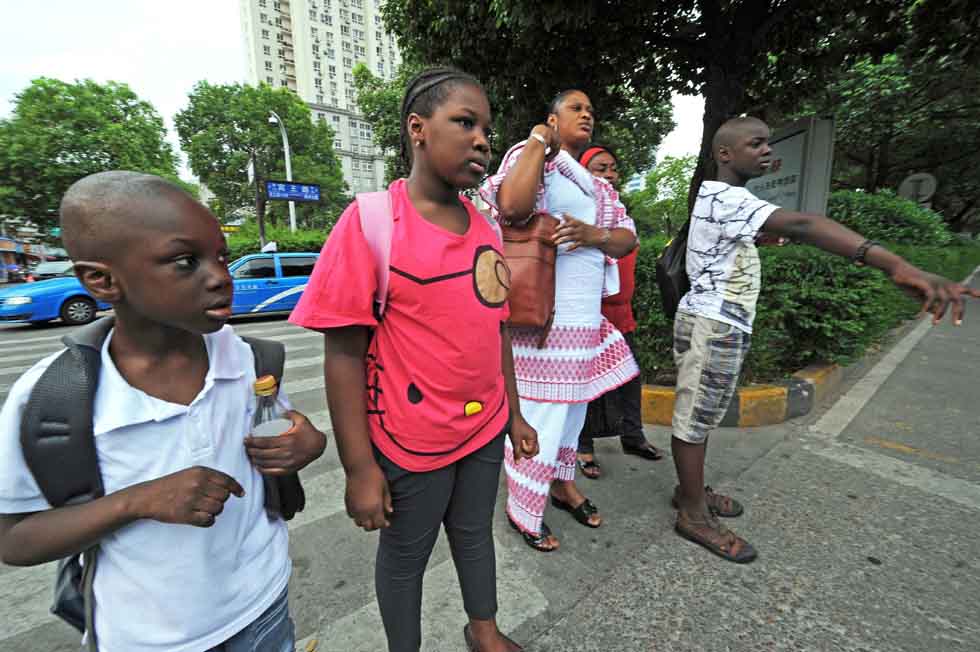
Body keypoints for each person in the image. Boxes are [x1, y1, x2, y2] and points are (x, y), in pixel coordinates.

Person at [0, 171, 327, 651]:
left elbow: (286, 428)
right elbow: (14, 539)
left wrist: (307, 441)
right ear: (102, 280)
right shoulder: (51, 397)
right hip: (148, 638)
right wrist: (137, 501)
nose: (220, 276)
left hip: (264, 607)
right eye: (184, 262)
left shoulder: (243, 356)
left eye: (219, 256)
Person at [289, 68, 537, 652]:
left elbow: (496, 329)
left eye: (487, 129)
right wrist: (359, 469)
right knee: (406, 557)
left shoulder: (486, 228)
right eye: (465, 122)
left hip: (484, 425)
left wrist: (516, 415)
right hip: (409, 438)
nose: (482, 139)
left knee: (475, 533)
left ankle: (483, 630)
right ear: (418, 129)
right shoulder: (372, 221)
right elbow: (343, 353)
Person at [671, 116, 980, 564]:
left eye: (767, 143)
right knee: (694, 418)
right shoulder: (726, 196)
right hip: (712, 322)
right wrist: (897, 266)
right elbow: (803, 223)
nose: (765, 151)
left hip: (721, 320)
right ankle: (694, 515)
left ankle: (689, 490)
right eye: (755, 144)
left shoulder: (724, 199)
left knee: (705, 410)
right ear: (725, 154)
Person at [481, 90, 639, 551]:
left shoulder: (597, 185)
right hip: (543, 319)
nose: (587, 114)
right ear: (551, 118)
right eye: (576, 108)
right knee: (542, 416)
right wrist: (536, 139)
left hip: (584, 318)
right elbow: (511, 206)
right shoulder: (536, 159)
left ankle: (562, 484)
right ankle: (524, 507)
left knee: (571, 414)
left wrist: (597, 235)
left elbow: (626, 240)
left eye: (591, 110)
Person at [576, 145, 664, 480]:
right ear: (584, 174)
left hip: (622, 316)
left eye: (613, 168)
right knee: (585, 385)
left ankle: (633, 436)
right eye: (600, 168)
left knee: (630, 378)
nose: (610, 174)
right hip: (590, 318)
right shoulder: (581, 215)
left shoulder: (620, 214)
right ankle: (583, 446)